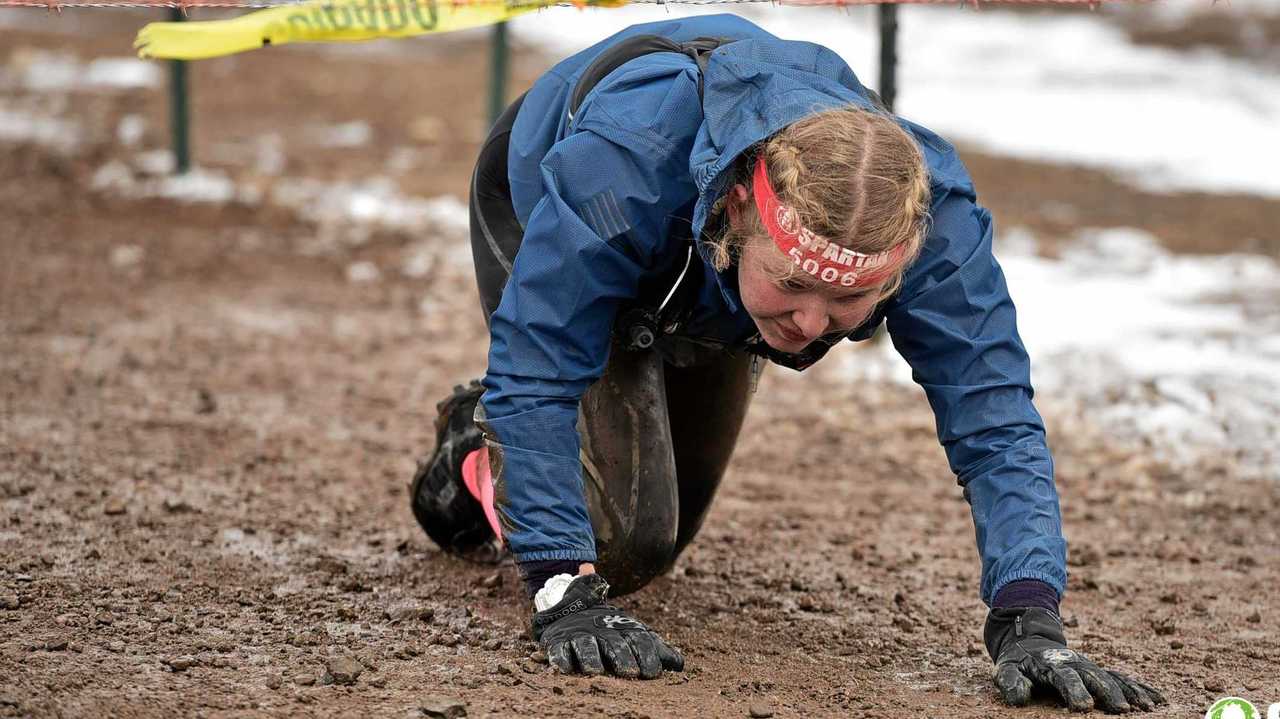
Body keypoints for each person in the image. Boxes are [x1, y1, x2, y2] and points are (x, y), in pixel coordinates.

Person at [410, 13, 1166, 713]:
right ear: (739, 210)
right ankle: (475, 447)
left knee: (664, 539)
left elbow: (994, 413)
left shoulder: (938, 226)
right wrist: (557, 586)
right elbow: (542, 358)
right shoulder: (623, 165)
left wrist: (1029, 610)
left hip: (715, 280)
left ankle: (548, 434)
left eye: (850, 302)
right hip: (551, 190)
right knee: (615, 547)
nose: (810, 325)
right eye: (796, 284)